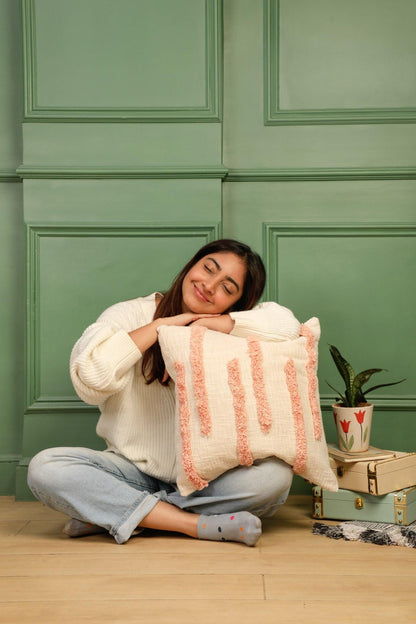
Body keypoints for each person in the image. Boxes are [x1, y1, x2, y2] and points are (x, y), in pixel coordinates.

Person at [28, 239, 301, 547]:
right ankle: (193, 524)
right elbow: (91, 378)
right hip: (131, 471)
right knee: (45, 468)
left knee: (275, 479)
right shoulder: (129, 314)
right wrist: (160, 328)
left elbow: (288, 326)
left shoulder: (235, 327)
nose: (209, 286)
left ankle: (120, 514)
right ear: (191, 265)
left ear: (237, 303)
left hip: (208, 480)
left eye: (227, 288)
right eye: (208, 269)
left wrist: (213, 324)